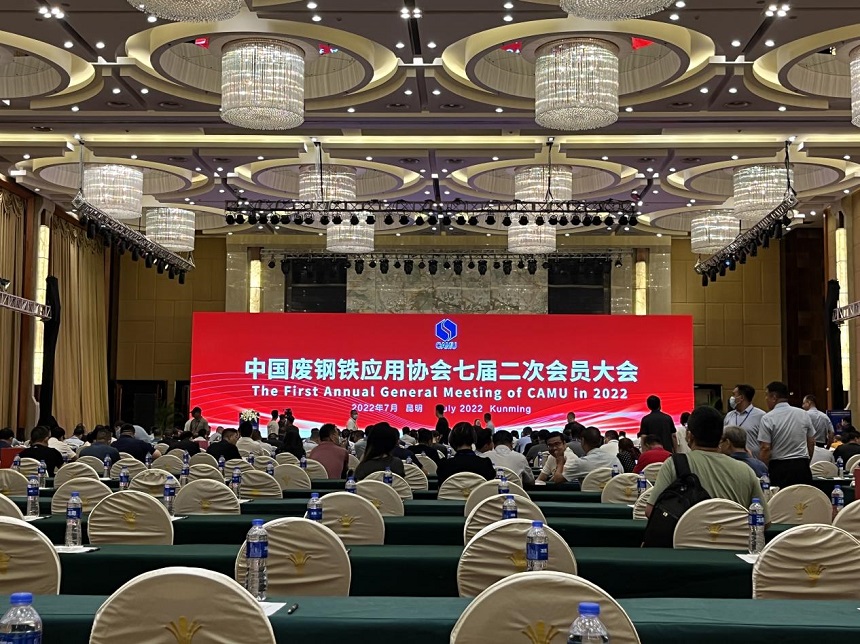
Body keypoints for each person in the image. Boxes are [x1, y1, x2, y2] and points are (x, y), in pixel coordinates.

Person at [646, 406, 771, 523]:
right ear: (720, 437)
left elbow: (650, 511)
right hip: (734, 540)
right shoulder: (746, 471)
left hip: (686, 539)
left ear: (689, 436)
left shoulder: (673, 464)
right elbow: (764, 521)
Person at [758, 381, 814, 488]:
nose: (766, 399)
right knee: (803, 496)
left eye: (767, 395)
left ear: (774, 397)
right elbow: (811, 442)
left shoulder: (767, 418)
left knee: (781, 497)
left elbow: (765, 448)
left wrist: (765, 469)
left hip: (779, 467)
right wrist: (806, 461)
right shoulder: (803, 414)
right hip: (802, 465)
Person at [723, 384, 767, 458]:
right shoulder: (729, 415)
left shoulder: (761, 416)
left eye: (734, 395)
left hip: (752, 460)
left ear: (741, 398)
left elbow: (765, 443)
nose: (732, 398)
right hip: (731, 460)